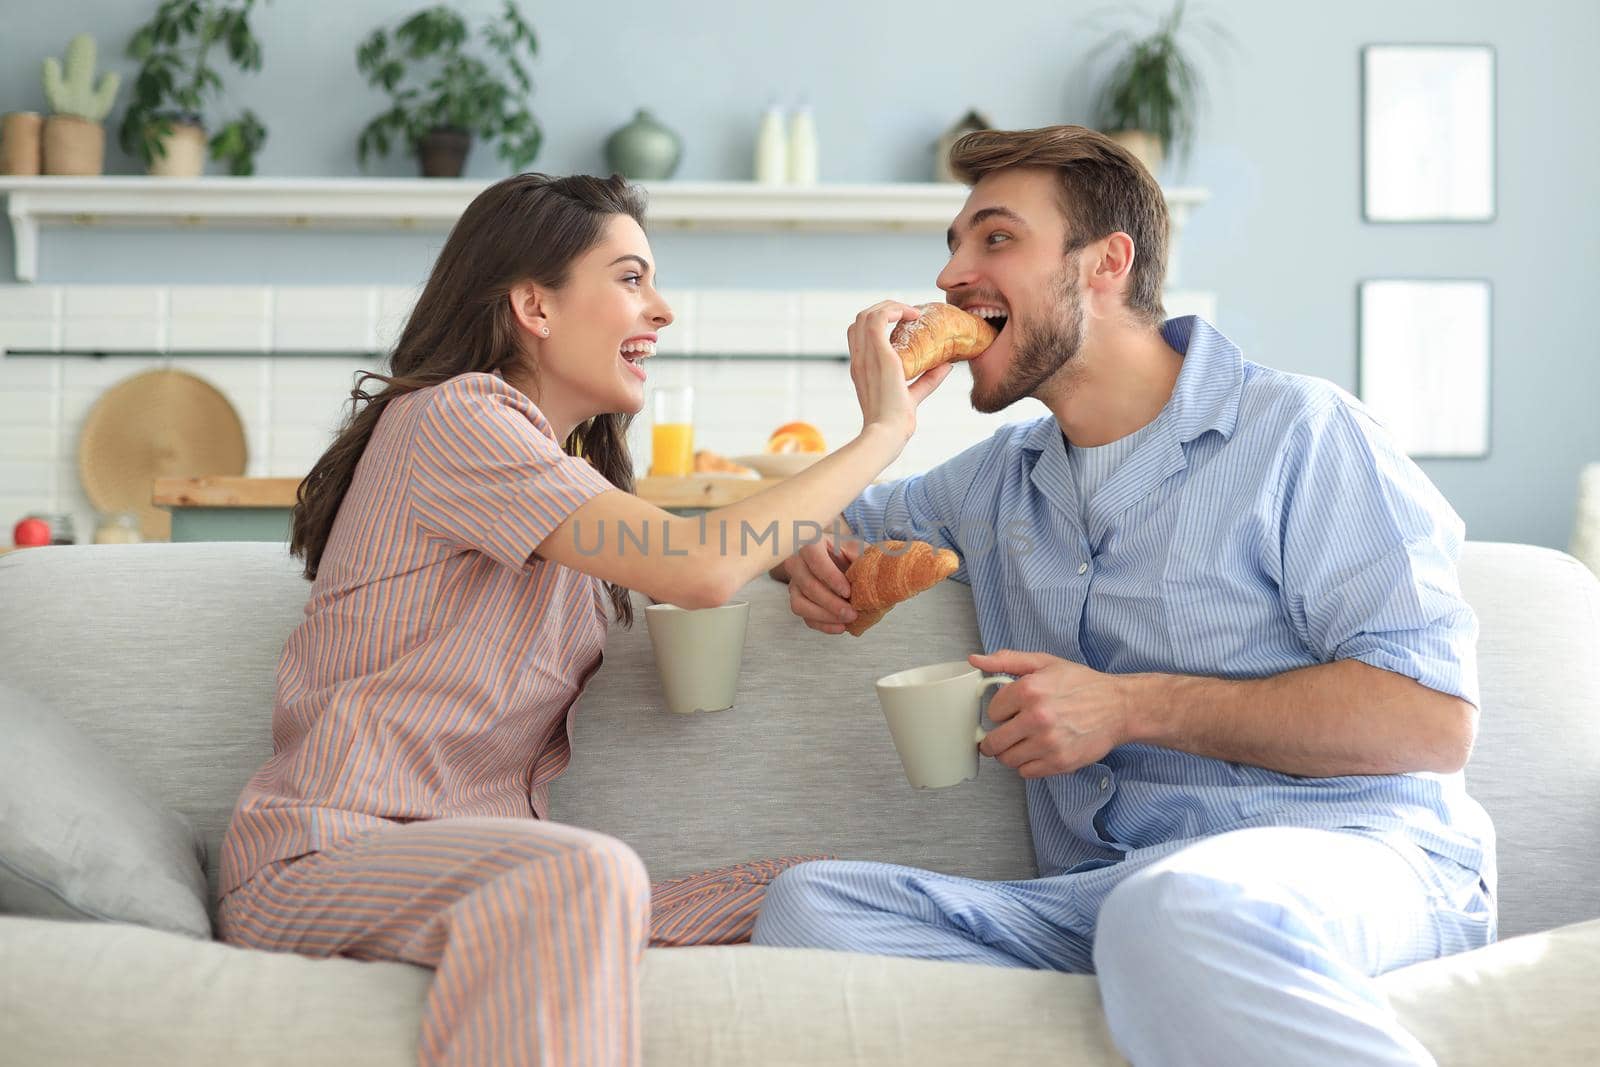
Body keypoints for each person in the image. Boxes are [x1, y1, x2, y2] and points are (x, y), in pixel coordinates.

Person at [758, 126, 1495, 1066]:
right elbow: (804, 522)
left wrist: (1130, 704)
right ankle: (1170, 1007)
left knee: (1176, 907)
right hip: (1101, 902)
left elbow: (1430, 722)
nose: (949, 275)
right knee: (812, 909)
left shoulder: (1302, 433)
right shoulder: (993, 482)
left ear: (1107, 262)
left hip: (1350, 858)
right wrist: (811, 542)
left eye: (993, 239)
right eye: (951, 245)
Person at [215, 172, 954, 1067]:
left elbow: (698, 558)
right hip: (324, 860)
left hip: (483, 867)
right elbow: (703, 568)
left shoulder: (561, 488)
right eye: (632, 278)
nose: (664, 310)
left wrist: (793, 540)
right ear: (534, 303)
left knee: (808, 890)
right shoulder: (455, 419)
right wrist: (884, 432)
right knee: (587, 867)